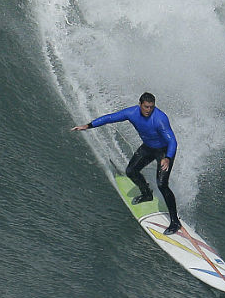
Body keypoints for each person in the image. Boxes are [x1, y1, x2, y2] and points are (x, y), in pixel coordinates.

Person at [72, 92, 182, 235]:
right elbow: (110, 118)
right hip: (148, 147)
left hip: (164, 151)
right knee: (131, 171)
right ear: (140, 104)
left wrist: (167, 157)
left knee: (162, 184)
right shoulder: (132, 113)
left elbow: (172, 141)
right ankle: (147, 193)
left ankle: (175, 222)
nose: (149, 110)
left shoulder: (160, 119)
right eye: (146, 107)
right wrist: (88, 126)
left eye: (151, 107)